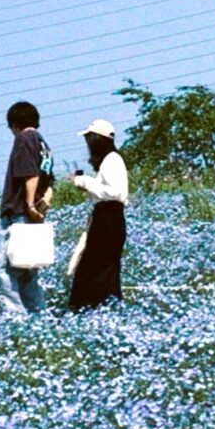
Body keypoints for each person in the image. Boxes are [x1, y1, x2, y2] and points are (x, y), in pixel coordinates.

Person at [0, 101, 53, 315]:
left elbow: (31, 174)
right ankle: (38, 318)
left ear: (14, 123)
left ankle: (15, 320)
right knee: (27, 272)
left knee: (3, 271)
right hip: (34, 217)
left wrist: (29, 204)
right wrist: (40, 209)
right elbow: (49, 183)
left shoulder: (24, 139)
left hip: (19, 214)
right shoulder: (43, 144)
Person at [66, 120, 128, 310]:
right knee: (102, 269)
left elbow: (114, 192)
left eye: (89, 139)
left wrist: (82, 181)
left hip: (108, 218)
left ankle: (88, 308)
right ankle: (106, 309)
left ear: (96, 140)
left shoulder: (112, 160)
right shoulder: (110, 160)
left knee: (92, 268)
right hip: (108, 218)